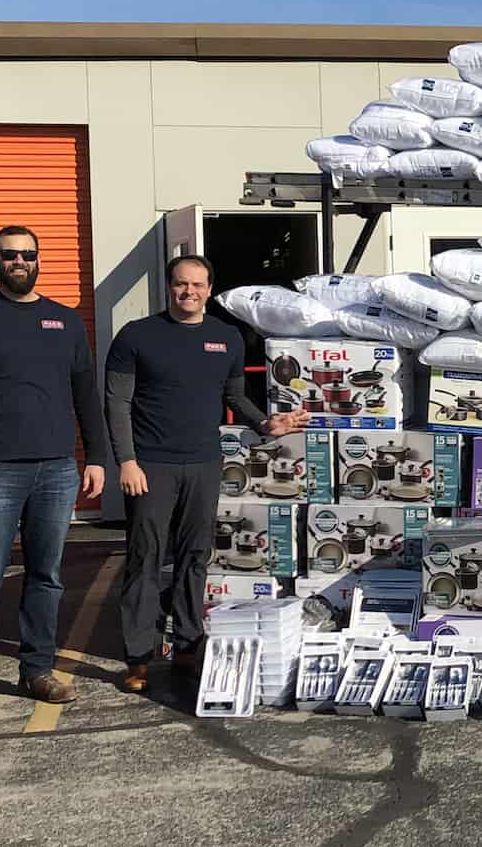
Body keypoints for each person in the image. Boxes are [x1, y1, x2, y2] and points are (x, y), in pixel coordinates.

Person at [0, 227, 109, 727]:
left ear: (38, 260)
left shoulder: (66, 321)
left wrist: (95, 456)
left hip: (56, 470)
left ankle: (37, 669)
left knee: (47, 577)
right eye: (9, 255)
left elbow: (85, 395)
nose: (19, 262)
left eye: (27, 255)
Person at [106, 255, 308, 693]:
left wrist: (264, 424)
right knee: (145, 558)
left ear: (209, 289)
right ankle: (138, 657)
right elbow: (117, 403)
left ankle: (187, 646)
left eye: (197, 285)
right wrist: (126, 460)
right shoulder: (137, 336)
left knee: (194, 557)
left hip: (203, 462)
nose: (189, 292)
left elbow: (235, 392)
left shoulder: (226, 337)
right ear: (168, 287)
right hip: (151, 466)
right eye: (181, 284)